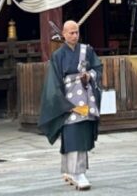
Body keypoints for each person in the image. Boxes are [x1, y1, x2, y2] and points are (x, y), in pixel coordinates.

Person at [38, 21, 103, 191]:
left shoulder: (87, 50)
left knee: (81, 133)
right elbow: (54, 82)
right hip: (68, 100)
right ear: (64, 34)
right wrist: (63, 103)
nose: (75, 36)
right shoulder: (58, 55)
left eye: (77, 32)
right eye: (71, 33)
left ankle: (73, 171)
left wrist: (88, 76)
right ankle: (77, 173)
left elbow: (97, 68)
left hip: (85, 98)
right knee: (72, 134)